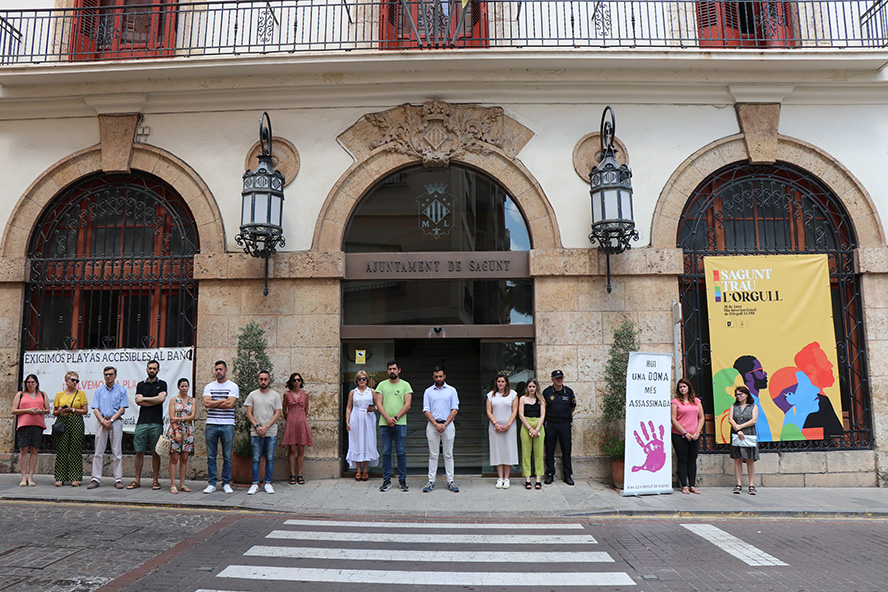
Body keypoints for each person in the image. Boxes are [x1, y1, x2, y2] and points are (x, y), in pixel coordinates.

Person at [128, 359, 168, 490]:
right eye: (150, 368)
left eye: (154, 368)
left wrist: (145, 399)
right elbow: (138, 402)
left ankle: (155, 481)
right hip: (142, 422)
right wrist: (154, 400)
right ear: (146, 369)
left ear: (158, 370)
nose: (152, 370)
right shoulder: (141, 385)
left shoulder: (162, 384)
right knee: (139, 451)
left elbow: (161, 399)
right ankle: (137, 480)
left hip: (156, 422)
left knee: (155, 452)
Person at [374, 360, 412, 492]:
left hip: (400, 424)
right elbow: (378, 403)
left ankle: (402, 480)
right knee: (386, 452)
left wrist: (395, 418)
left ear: (399, 370)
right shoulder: (382, 385)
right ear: (387, 371)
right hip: (385, 424)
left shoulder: (405, 385)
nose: (392, 371)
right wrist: (387, 418)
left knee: (401, 452)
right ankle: (386, 480)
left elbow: (408, 404)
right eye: (390, 369)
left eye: (394, 369)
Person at [87, 366, 128, 489]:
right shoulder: (99, 391)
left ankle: (118, 479)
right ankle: (95, 478)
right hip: (101, 421)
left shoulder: (121, 390)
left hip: (115, 421)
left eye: (110, 374)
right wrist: (103, 421)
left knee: (117, 451)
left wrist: (111, 420)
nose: (108, 376)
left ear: (115, 376)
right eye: (106, 374)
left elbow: (122, 408)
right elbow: (95, 408)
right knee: (98, 451)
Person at [421, 366, 460, 494]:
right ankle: (431, 481)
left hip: (448, 425)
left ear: (444, 376)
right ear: (433, 377)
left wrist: (446, 423)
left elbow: (455, 409)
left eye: (440, 376)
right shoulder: (428, 391)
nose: (438, 378)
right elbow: (426, 409)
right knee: (433, 454)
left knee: (448, 454)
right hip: (433, 425)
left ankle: (450, 481)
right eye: (436, 376)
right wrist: (436, 424)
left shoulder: (452, 390)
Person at [202, 360, 238, 495]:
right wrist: (223, 400)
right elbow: (206, 403)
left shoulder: (233, 386)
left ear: (226, 370)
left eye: (220, 369)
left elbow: (230, 404)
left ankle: (226, 483)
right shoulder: (208, 386)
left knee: (227, 456)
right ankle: (211, 483)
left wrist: (214, 402)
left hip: (228, 424)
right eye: (216, 369)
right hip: (211, 424)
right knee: (211, 456)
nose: (218, 371)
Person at [244, 370, 282, 495]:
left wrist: (265, 427)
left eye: (265, 379)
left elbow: (278, 413)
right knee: (255, 458)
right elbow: (248, 413)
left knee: (270, 458)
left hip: (270, 432)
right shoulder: (253, 395)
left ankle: (267, 483)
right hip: (256, 432)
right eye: (261, 379)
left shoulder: (275, 395)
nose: (263, 381)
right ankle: (255, 484)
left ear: (269, 380)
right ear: (258, 380)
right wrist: (257, 426)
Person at [52, 371, 89, 487]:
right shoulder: (60, 395)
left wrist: (72, 410)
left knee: (75, 448)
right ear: (66, 381)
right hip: (62, 421)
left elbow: (85, 411)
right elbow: (54, 412)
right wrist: (61, 411)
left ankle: (75, 477)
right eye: (73, 380)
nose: (75, 383)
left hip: (76, 421)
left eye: (77, 381)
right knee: (62, 449)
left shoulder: (80, 394)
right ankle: (60, 477)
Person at [12, 375, 48, 487]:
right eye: (28, 382)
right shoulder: (20, 394)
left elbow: (47, 410)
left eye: (32, 382)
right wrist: (27, 410)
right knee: (23, 450)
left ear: (36, 383)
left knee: (34, 450)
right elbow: (13, 410)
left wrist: (40, 411)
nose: (30, 384)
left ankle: (31, 476)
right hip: (24, 425)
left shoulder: (42, 394)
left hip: (37, 425)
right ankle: (23, 476)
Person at [670, 378, 705, 494]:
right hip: (679, 435)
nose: (682, 389)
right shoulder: (675, 402)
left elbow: (701, 417)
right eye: (680, 387)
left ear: (689, 387)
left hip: (694, 435)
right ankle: (684, 485)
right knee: (682, 459)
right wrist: (685, 433)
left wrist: (697, 432)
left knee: (692, 459)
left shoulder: (696, 401)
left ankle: (692, 485)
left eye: (684, 386)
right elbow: (673, 419)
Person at [543, 369, 577, 485]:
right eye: (557, 378)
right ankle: (550, 474)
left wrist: (565, 416)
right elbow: (543, 408)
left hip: (564, 424)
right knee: (549, 450)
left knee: (566, 450)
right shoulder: (547, 392)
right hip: (551, 424)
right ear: (552, 379)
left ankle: (567, 474)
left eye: (561, 378)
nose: (559, 380)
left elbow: (573, 406)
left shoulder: (568, 391)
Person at [486, 372, 518, 489]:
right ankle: (500, 478)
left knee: (508, 451)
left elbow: (515, 411)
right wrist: (496, 424)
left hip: (509, 428)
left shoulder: (513, 394)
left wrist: (509, 424)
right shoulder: (490, 395)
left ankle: (507, 478)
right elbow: (489, 411)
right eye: (499, 381)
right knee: (497, 451)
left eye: (502, 381)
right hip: (495, 428)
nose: (500, 383)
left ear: (506, 383)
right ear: (496, 382)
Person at [344, 370, 378, 481]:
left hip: (368, 418)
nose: (362, 381)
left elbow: (378, 406)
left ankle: (366, 470)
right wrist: (347, 421)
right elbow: (349, 407)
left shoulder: (372, 392)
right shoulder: (353, 392)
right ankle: (358, 470)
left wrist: (373, 409)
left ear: (367, 380)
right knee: (357, 442)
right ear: (356, 381)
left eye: (364, 379)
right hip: (356, 417)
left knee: (367, 442)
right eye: (360, 379)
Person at [281, 372, 314, 485]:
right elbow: (284, 409)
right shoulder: (287, 394)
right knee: (291, 449)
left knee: (300, 449)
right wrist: (289, 419)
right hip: (291, 423)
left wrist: (301, 418)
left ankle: (300, 474)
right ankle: (292, 474)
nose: (297, 382)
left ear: (301, 381)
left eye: (299, 380)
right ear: (291, 382)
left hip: (301, 422)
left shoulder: (305, 394)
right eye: (294, 380)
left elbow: (306, 409)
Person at [733, 355, 772, 442]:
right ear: (748, 376)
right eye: (760, 371)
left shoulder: (756, 401)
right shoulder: (743, 402)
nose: (765, 373)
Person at [729, 385, 760, 495]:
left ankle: (751, 484)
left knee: (750, 459)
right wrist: (737, 430)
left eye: (740, 394)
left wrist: (740, 427)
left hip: (749, 433)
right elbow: (731, 419)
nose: (738, 396)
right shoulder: (734, 406)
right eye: (737, 394)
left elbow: (753, 420)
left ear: (746, 394)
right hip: (737, 434)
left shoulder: (753, 406)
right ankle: (738, 484)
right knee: (738, 459)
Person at [167, 378, 196, 494]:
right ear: (178, 387)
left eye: (186, 386)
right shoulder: (174, 400)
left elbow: (192, 416)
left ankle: (182, 483)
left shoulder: (192, 400)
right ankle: (173, 484)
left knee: (184, 458)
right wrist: (177, 432)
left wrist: (180, 418)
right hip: (176, 430)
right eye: (182, 386)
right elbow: (171, 417)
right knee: (174, 458)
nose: (184, 388)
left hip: (188, 431)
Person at [518, 378, 546, 490]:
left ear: (537, 387)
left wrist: (537, 429)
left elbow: (543, 415)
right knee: (526, 453)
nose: (532, 389)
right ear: (527, 388)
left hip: (538, 425)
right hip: (526, 426)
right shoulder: (523, 399)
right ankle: (528, 479)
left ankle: (538, 479)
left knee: (539, 453)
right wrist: (530, 428)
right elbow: (521, 414)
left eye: (533, 386)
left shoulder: (541, 399)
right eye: (530, 386)